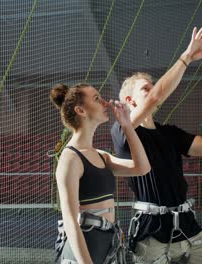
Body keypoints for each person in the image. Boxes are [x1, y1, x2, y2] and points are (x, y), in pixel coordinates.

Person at [111, 25, 202, 264]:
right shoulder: (123, 130)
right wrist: (186, 56)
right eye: (145, 88)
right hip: (151, 234)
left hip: (188, 228)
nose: (152, 91)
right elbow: (155, 98)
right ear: (130, 100)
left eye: (152, 86)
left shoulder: (169, 133)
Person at [50, 83, 151, 264]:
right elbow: (71, 221)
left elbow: (142, 167)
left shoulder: (100, 156)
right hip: (82, 254)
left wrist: (127, 125)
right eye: (97, 98)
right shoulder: (70, 159)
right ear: (80, 110)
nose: (105, 102)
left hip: (107, 246)